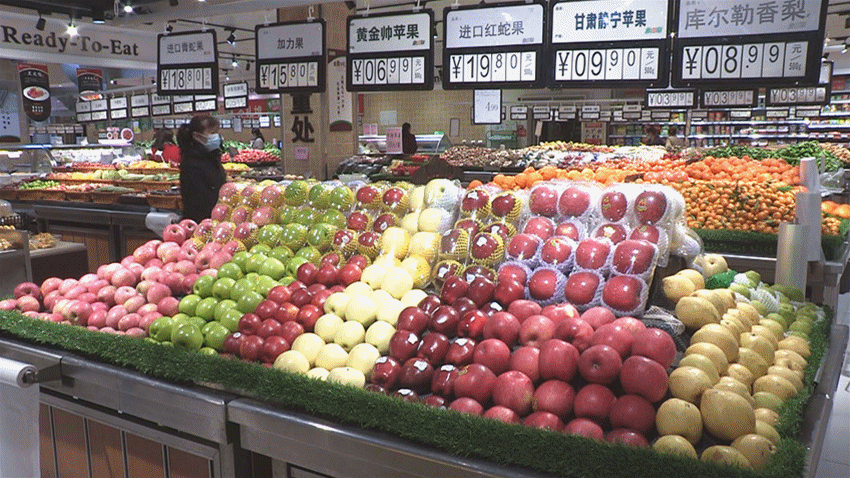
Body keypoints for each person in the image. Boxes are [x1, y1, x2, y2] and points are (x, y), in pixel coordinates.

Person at [177, 115, 227, 222]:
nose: (217, 137)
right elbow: (199, 199)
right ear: (197, 136)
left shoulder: (212, 156)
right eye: (212, 133)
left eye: (217, 132)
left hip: (216, 217)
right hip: (201, 221)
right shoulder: (191, 162)